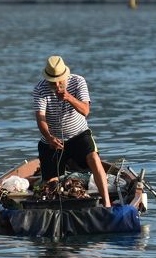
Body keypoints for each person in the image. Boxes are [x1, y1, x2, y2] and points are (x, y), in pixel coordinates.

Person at [33, 55, 111, 207]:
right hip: (53, 140)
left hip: (78, 135)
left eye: (59, 81)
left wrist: (69, 97)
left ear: (65, 76)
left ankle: (107, 203)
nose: (56, 85)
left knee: (94, 158)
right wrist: (49, 137)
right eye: (52, 82)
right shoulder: (40, 89)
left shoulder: (78, 81)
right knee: (50, 184)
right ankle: (55, 209)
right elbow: (40, 118)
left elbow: (85, 110)